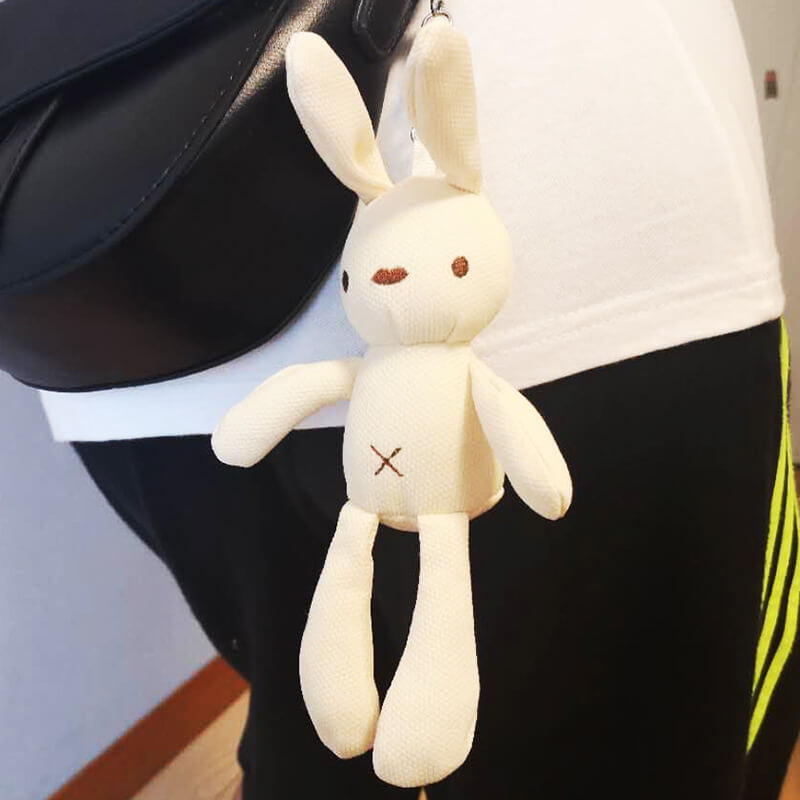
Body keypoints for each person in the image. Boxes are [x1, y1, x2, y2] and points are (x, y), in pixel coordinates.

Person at [40, 1, 799, 797]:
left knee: (312, 737)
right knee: (623, 751)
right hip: (595, 262)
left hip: (125, 293)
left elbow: (506, 435)